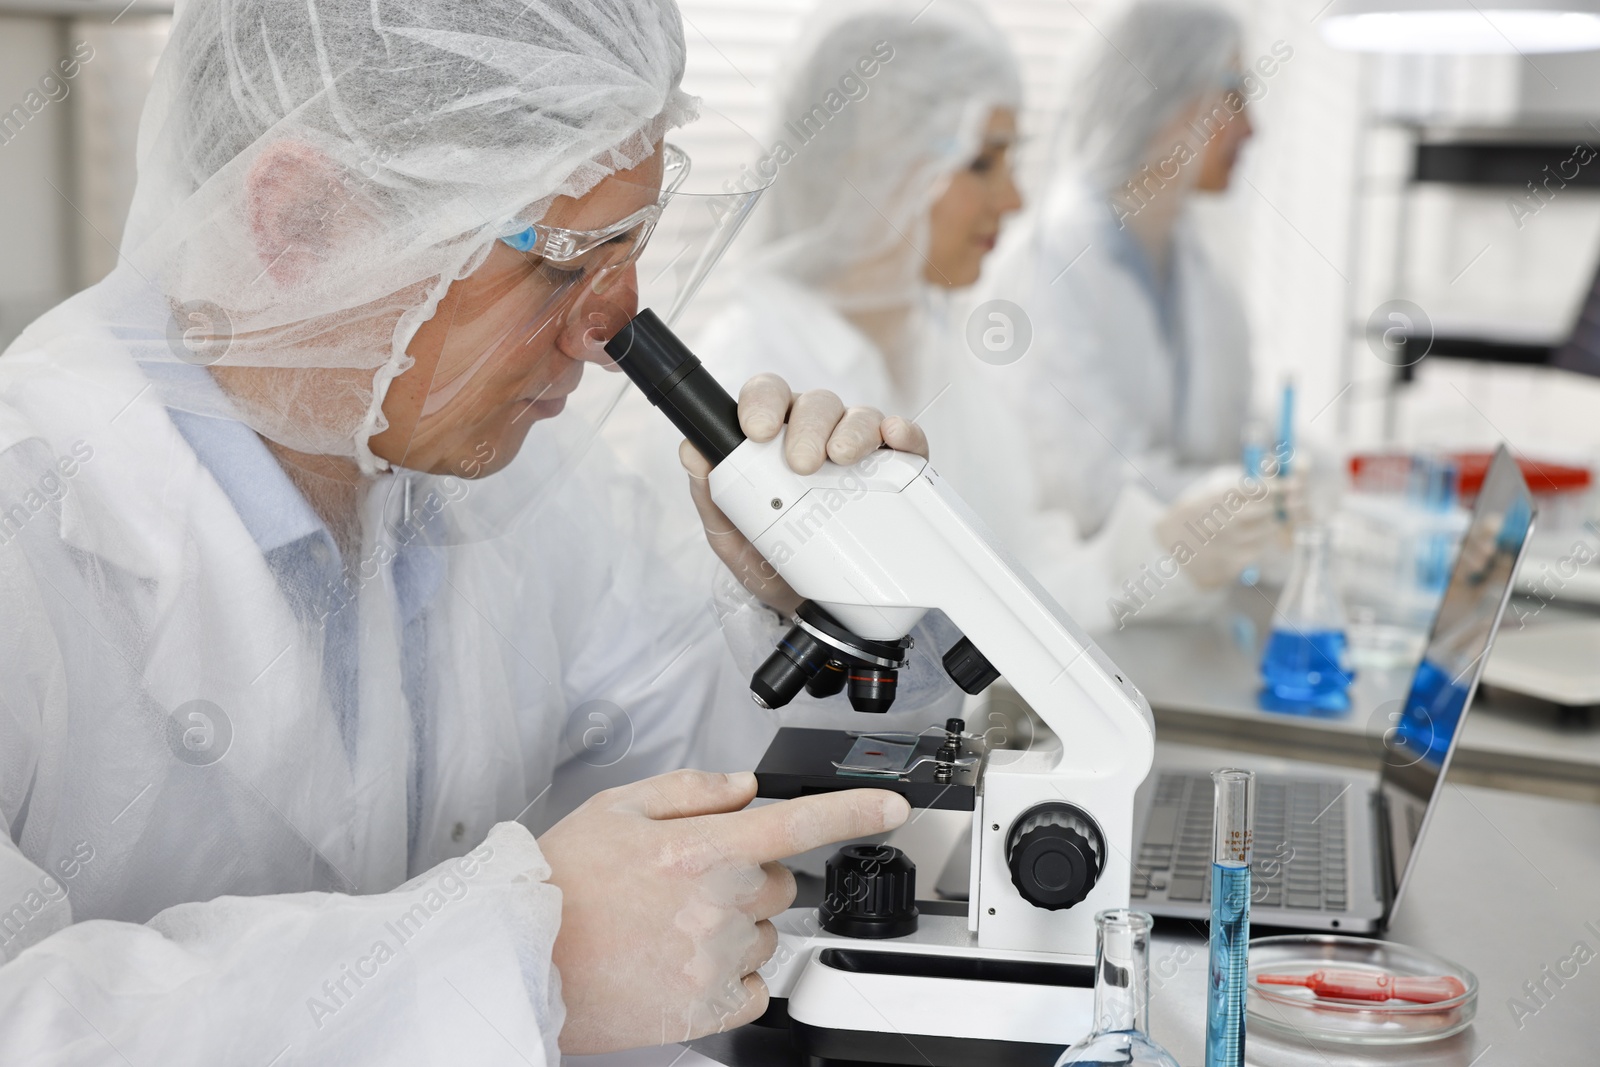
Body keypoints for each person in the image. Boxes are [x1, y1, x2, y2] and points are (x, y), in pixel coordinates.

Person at [0, 1, 957, 1061]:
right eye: (561, 263)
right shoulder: (29, 525)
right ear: (296, 219)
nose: (605, 335)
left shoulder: (505, 491)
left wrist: (838, 608)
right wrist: (517, 961)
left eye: (629, 253)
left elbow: (761, 808)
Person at [969, 0, 1278, 617]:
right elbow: (1094, 491)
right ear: (1162, 96)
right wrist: (1250, 505)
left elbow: (1242, 432)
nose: (1252, 128)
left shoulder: (1197, 263)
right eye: (1233, 94)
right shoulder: (1045, 268)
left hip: (1184, 615)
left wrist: (1294, 475)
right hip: (1080, 619)